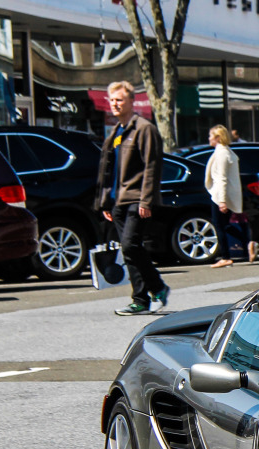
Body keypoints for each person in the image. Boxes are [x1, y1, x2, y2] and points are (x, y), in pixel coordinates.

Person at [96, 80, 169, 316]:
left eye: (120, 100)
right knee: (129, 250)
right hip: (119, 201)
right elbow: (108, 171)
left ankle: (155, 289)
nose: (115, 104)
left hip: (137, 198)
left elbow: (152, 166)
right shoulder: (116, 132)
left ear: (131, 101)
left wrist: (147, 200)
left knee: (129, 245)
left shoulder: (144, 129)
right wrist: (105, 202)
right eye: (112, 100)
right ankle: (142, 298)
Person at [203, 125, 257, 268]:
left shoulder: (222, 154)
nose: (209, 138)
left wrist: (222, 200)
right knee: (225, 225)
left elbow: (222, 177)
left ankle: (226, 256)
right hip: (226, 194)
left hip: (220, 194)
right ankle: (248, 243)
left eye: (211, 136)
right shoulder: (227, 152)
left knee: (219, 225)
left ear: (218, 138)